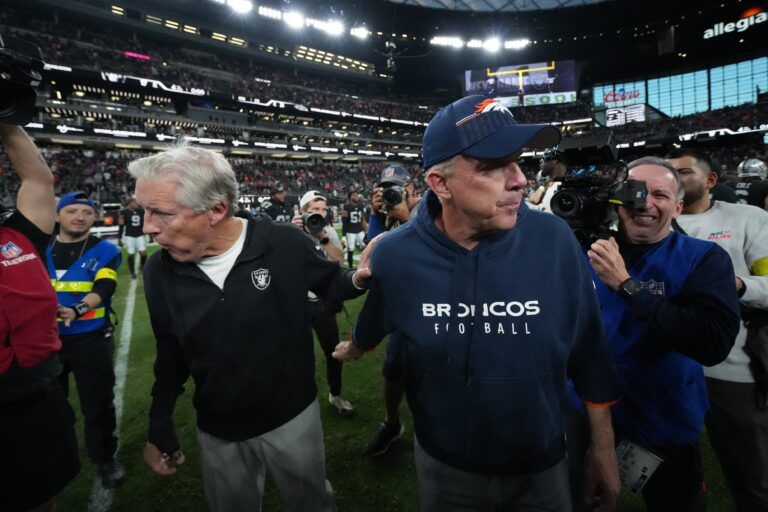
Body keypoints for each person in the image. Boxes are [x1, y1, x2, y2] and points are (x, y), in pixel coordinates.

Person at [335, 95, 622, 512]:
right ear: (440, 184)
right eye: (492, 166)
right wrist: (357, 345)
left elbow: (590, 352)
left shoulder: (554, 240)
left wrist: (603, 447)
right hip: (445, 465)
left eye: (518, 161)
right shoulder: (396, 254)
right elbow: (379, 316)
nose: (520, 179)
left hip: (542, 462)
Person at [131, 144, 372, 512]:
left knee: (311, 502)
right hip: (216, 427)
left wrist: (358, 277)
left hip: (292, 413)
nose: (147, 226)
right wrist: (159, 418)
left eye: (161, 213)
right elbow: (171, 350)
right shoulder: (158, 271)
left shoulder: (282, 242)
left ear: (217, 210)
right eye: (144, 211)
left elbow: (331, 283)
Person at [578, 156, 740, 511]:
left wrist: (627, 286)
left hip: (663, 416)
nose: (645, 203)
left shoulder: (705, 258)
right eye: (634, 192)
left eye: (660, 195)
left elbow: (712, 343)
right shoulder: (584, 251)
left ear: (679, 206)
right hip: (587, 413)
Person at [669, 149, 768, 512]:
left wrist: (737, 286)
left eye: (683, 172)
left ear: (710, 180)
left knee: (752, 474)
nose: (674, 179)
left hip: (733, 367)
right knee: (678, 478)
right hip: (670, 367)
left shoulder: (748, 219)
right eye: (669, 173)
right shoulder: (650, 221)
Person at [0, 125, 80, 512]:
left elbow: (38, 177)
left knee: (43, 494)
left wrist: (7, 119)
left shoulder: (17, 235)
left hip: (38, 389)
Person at [46, 191, 125, 489]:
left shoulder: (104, 249)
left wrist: (77, 309)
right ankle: (57, 456)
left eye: (86, 212)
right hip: (46, 341)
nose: (79, 217)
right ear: (57, 215)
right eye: (72, 211)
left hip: (90, 339)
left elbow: (105, 286)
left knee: (98, 403)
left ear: (94, 217)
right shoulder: (40, 247)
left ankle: (105, 458)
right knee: (51, 404)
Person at [363, 164, 421, 456]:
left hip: (431, 304)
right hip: (399, 307)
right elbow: (371, 259)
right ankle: (391, 422)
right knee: (392, 369)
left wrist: (406, 217)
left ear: (411, 188)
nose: (390, 193)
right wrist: (376, 215)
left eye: (396, 187)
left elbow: (433, 249)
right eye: (385, 188)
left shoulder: (427, 208)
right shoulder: (384, 214)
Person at [292, 190, 355, 416]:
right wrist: (293, 231)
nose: (320, 213)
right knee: (295, 352)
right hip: (295, 303)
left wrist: (322, 237)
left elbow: (338, 259)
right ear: (302, 212)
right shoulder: (290, 231)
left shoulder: (327, 231)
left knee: (333, 351)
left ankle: (335, 395)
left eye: (323, 209)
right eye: (314, 210)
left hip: (320, 302)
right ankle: (296, 399)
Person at [118, 197, 147, 279]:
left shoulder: (141, 211)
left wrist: (150, 235)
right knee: (131, 254)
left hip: (140, 234)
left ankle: (143, 267)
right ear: (130, 203)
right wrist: (119, 238)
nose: (137, 204)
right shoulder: (123, 213)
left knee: (143, 253)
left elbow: (146, 222)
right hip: (129, 236)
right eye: (135, 202)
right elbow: (121, 226)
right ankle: (132, 272)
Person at [341, 190, 367, 268]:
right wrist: (343, 235)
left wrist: (366, 230)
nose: (356, 196)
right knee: (350, 250)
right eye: (354, 195)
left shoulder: (360, 206)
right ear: (350, 197)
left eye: (356, 195)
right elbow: (344, 222)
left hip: (360, 230)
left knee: (366, 247)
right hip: (350, 232)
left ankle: (365, 265)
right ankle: (350, 267)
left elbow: (363, 219)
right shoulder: (346, 207)